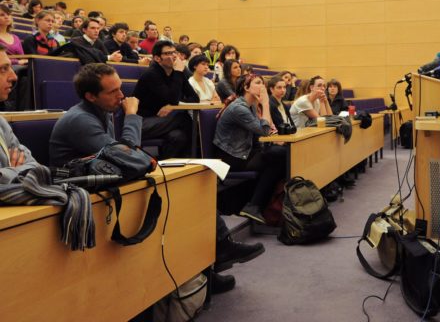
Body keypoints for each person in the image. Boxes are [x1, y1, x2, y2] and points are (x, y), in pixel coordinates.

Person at [48, 63, 261, 296]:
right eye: (113, 91)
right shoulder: (80, 120)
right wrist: (131, 115)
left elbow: (126, 155)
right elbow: (129, 155)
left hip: (109, 184)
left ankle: (206, 269)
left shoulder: (102, 112)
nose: (122, 95)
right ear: (90, 96)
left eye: (121, 88)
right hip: (84, 197)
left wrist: (130, 141)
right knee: (172, 204)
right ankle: (212, 263)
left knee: (185, 194)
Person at [213, 74, 286, 223]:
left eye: (263, 84)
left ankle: (257, 205)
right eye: (258, 83)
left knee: (280, 155)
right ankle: (255, 205)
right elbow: (264, 131)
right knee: (280, 156)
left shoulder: (250, 105)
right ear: (246, 88)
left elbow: (261, 135)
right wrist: (265, 104)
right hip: (231, 157)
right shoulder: (239, 108)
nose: (263, 87)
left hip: (245, 152)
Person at [133, 40, 198, 159]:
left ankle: (165, 165)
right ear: (157, 58)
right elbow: (171, 98)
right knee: (183, 117)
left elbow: (195, 98)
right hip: (142, 123)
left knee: (178, 136)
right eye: (168, 53)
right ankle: (198, 156)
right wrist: (179, 72)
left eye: (174, 52)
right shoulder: (151, 74)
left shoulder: (177, 73)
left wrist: (172, 107)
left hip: (165, 121)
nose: (173, 56)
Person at [55, 18, 122, 64]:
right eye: (93, 28)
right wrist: (109, 57)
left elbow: (105, 56)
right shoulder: (76, 41)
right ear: (84, 30)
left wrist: (114, 57)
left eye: (98, 28)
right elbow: (87, 55)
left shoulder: (99, 42)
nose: (96, 31)